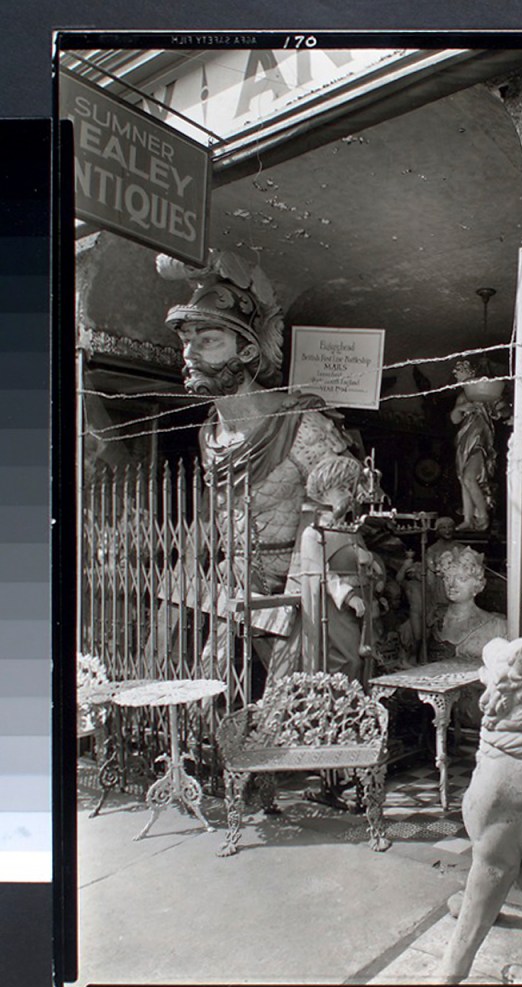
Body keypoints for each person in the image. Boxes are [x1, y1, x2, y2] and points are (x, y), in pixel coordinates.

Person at [158, 251, 354, 683]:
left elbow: (338, 509)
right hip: (236, 576)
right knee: (206, 673)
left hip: (301, 584)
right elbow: (210, 515)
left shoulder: (299, 424)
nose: (189, 353)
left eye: (208, 341)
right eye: (186, 340)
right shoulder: (210, 433)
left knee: (294, 685)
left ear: (246, 351)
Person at [298, 454, 382, 685]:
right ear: (324, 492)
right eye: (342, 489)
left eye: (350, 488)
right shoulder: (314, 533)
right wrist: (349, 597)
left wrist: (371, 561)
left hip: (361, 603)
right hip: (336, 609)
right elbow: (320, 573)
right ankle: (340, 702)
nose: (350, 495)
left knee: (365, 657)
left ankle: (359, 702)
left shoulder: (350, 530)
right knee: (348, 659)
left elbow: (360, 559)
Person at [449, 360, 510, 532]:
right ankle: (468, 518)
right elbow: (454, 419)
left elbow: (503, 409)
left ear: (470, 373)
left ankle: (483, 514)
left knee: (469, 477)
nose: (455, 374)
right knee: (463, 479)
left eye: (459, 370)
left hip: (480, 441)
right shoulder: (463, 397)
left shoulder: (485, 394)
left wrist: (500, 411)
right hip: (464, 442)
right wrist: (461, 408)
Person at [429, 546, 507, 661]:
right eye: (448, 578)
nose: (452, 584)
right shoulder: (433, 619)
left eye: (461, 579)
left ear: (478, 585)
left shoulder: (497, 626)